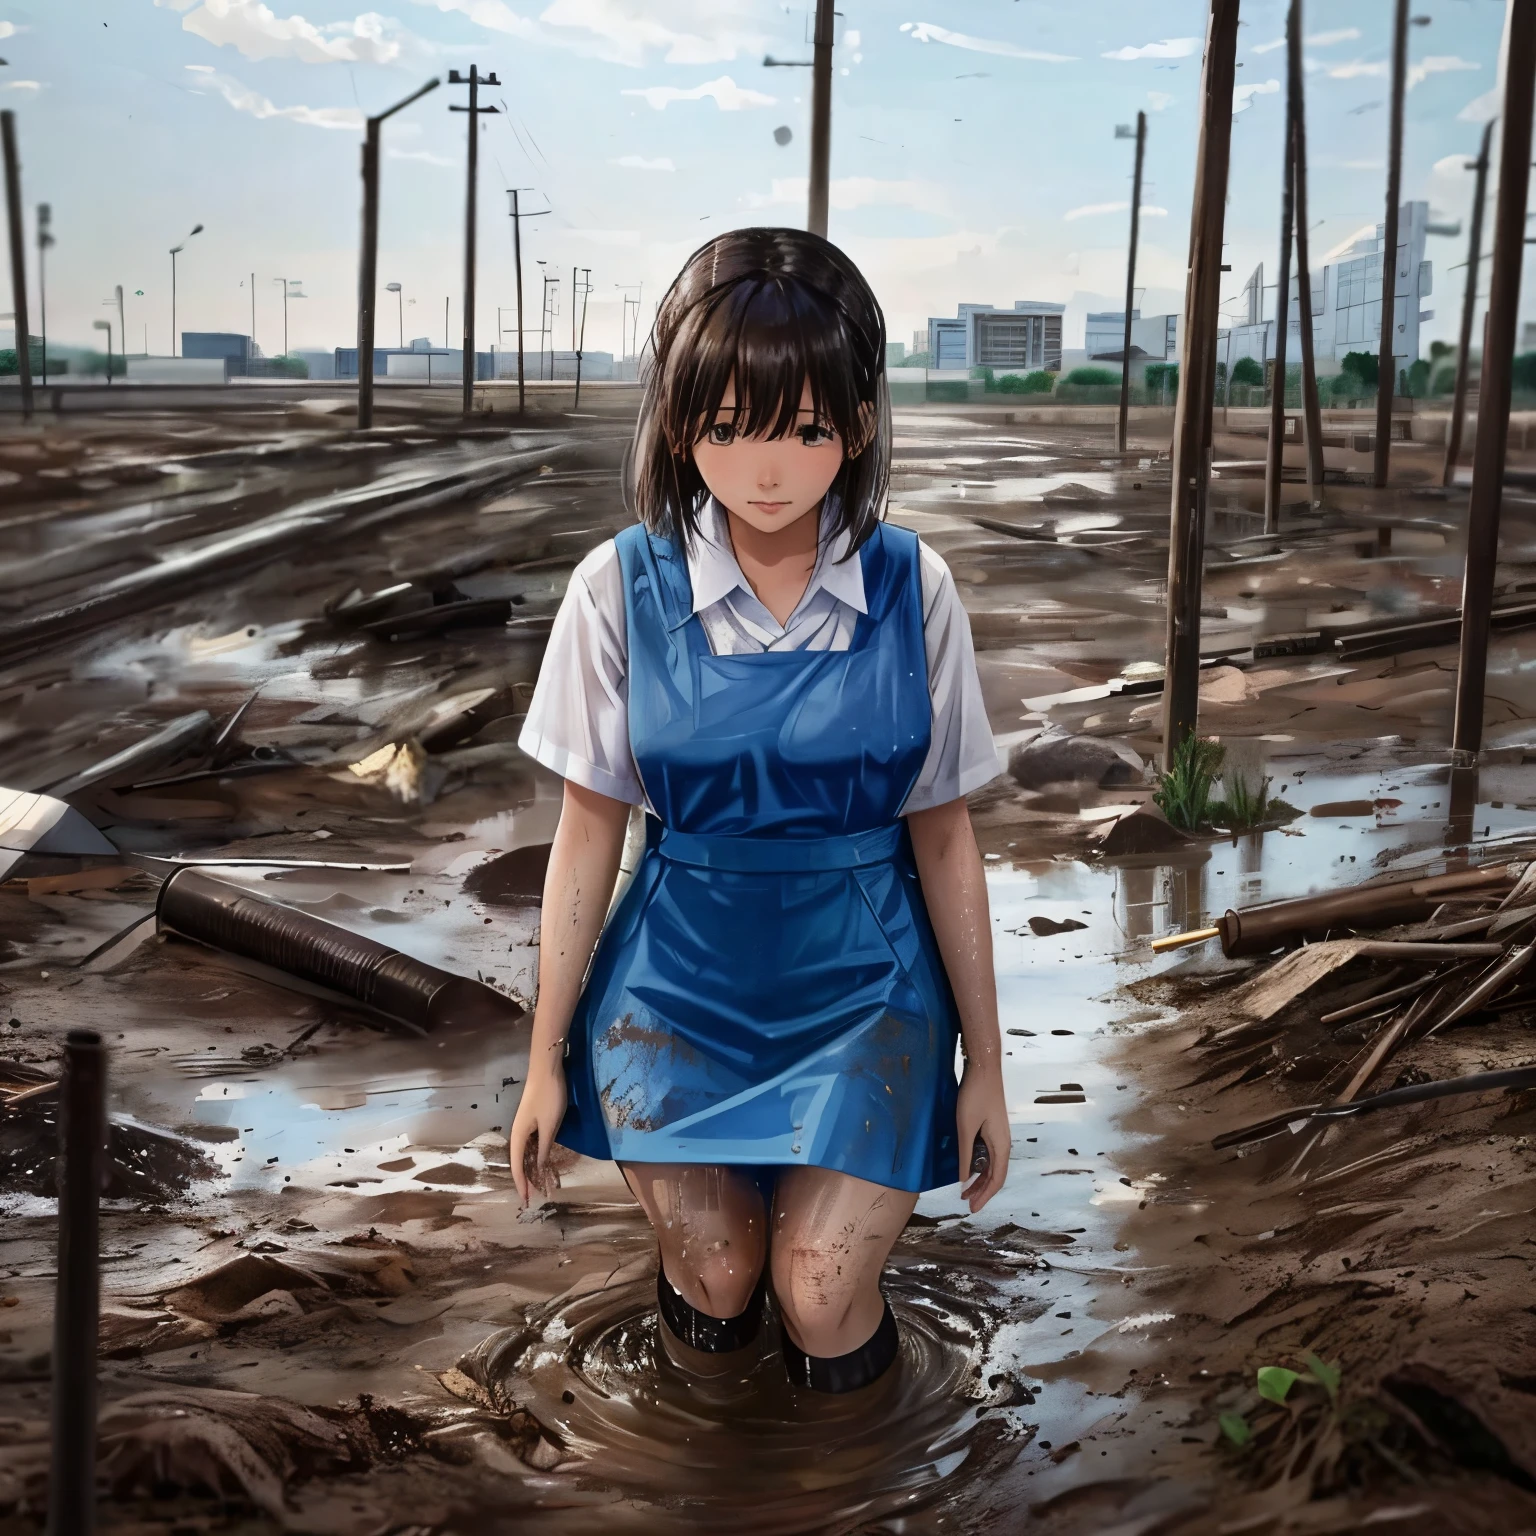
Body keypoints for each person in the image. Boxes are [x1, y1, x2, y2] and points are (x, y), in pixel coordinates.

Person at [510, 227, 1008, 1396]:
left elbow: (943, 832)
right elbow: (589, 832)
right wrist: (543, 1057)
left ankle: (853, 1488)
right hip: (672, 987)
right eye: (730, 427)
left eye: (804, 426)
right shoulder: (615, 589)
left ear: (860, 424)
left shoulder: (914, 589)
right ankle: (712, 1467)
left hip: (866, 985)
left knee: (822, 1288)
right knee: (719, 1270)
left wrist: (985, 1062)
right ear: (682, 427)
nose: (767, 465)